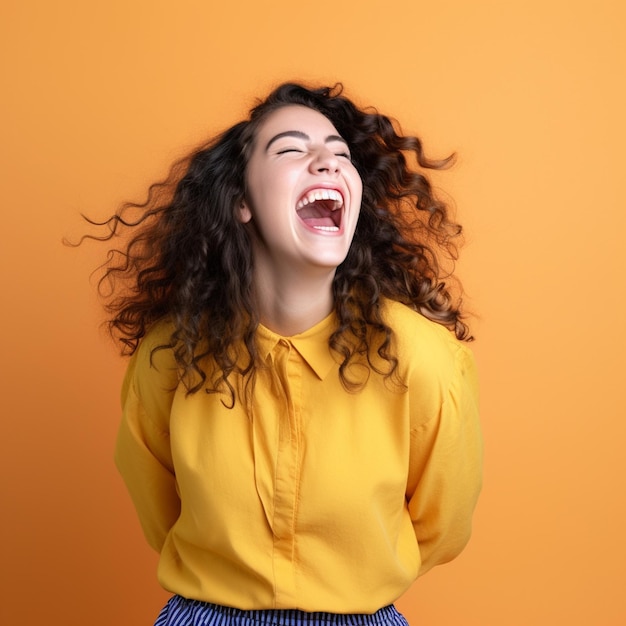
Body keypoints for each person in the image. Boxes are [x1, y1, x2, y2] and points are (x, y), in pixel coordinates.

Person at [95, 82, 482, 626]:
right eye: (292, 149)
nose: (327, 162)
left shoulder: (425, 360)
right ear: (241, 202)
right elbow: (161, 512)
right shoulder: (169, 357)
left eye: (341, 155)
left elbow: (443, 527)